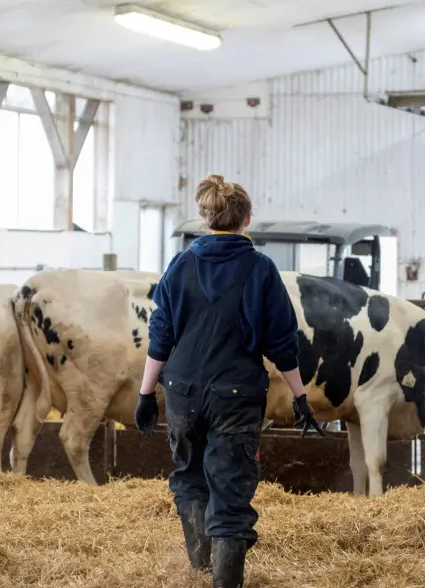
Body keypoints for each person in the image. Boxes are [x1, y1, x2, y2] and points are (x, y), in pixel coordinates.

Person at [134, 175, 322, 588]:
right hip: (236, 393)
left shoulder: (180, 264)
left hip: (181, 391)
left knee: (189, 477)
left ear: (206, 218)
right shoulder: (261, 269)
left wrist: (147, 393)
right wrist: (300, 395)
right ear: (247, 219)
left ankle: (199, 573)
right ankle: (220, 581)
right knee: (231, 488)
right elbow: (282, 342)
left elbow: (160, 334)